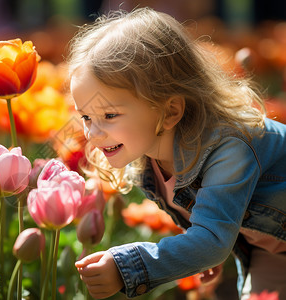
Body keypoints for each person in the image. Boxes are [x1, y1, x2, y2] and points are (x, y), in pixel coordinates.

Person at [67, 7, 286, 300]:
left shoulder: (229, 148)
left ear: (170, 111)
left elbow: (210, 240)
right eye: (86, 117)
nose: (93, 133)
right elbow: (211, 229)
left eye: (109, 115)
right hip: (270, 249)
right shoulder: (150, 155)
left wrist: (125, 267)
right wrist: (199, 250)